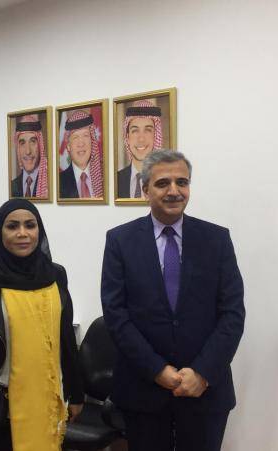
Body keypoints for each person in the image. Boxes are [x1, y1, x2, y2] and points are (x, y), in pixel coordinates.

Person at [101, 150, 245, 451]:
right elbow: (116, 315)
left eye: (182, 182)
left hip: (204, 390)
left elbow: (232, 313)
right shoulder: (120, 241)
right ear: (145, 190)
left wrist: (203, 372)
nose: (174, 191)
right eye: (162, 183)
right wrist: (157, 370)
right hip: (143, 389)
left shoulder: (217, 240)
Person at [0, 199, 84, 451]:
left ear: (39, 230)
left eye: (30, 225)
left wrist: (76, 392)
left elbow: (65, 338)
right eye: (12, 226)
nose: (22, 233)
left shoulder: (55, 275)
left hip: (46, 401)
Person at [117, 100, 163, 199]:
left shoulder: (165, 179)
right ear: (127, 137)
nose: (141, 139)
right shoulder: (116, 179)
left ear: (155, 136)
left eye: (148, 130)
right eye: (135, 131)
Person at [58, 110, 104, 198]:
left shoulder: (105, 178)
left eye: (85, 136)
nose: (81, 143)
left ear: (92, 141)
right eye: (75, 137)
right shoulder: (58, 183)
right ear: (68, 146)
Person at [10, 115, 48, 198]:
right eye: (22, 143)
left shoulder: (50, 184)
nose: (28, 151)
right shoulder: (11, 187)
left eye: (33, 142)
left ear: (40, 145)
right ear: (18, 149)